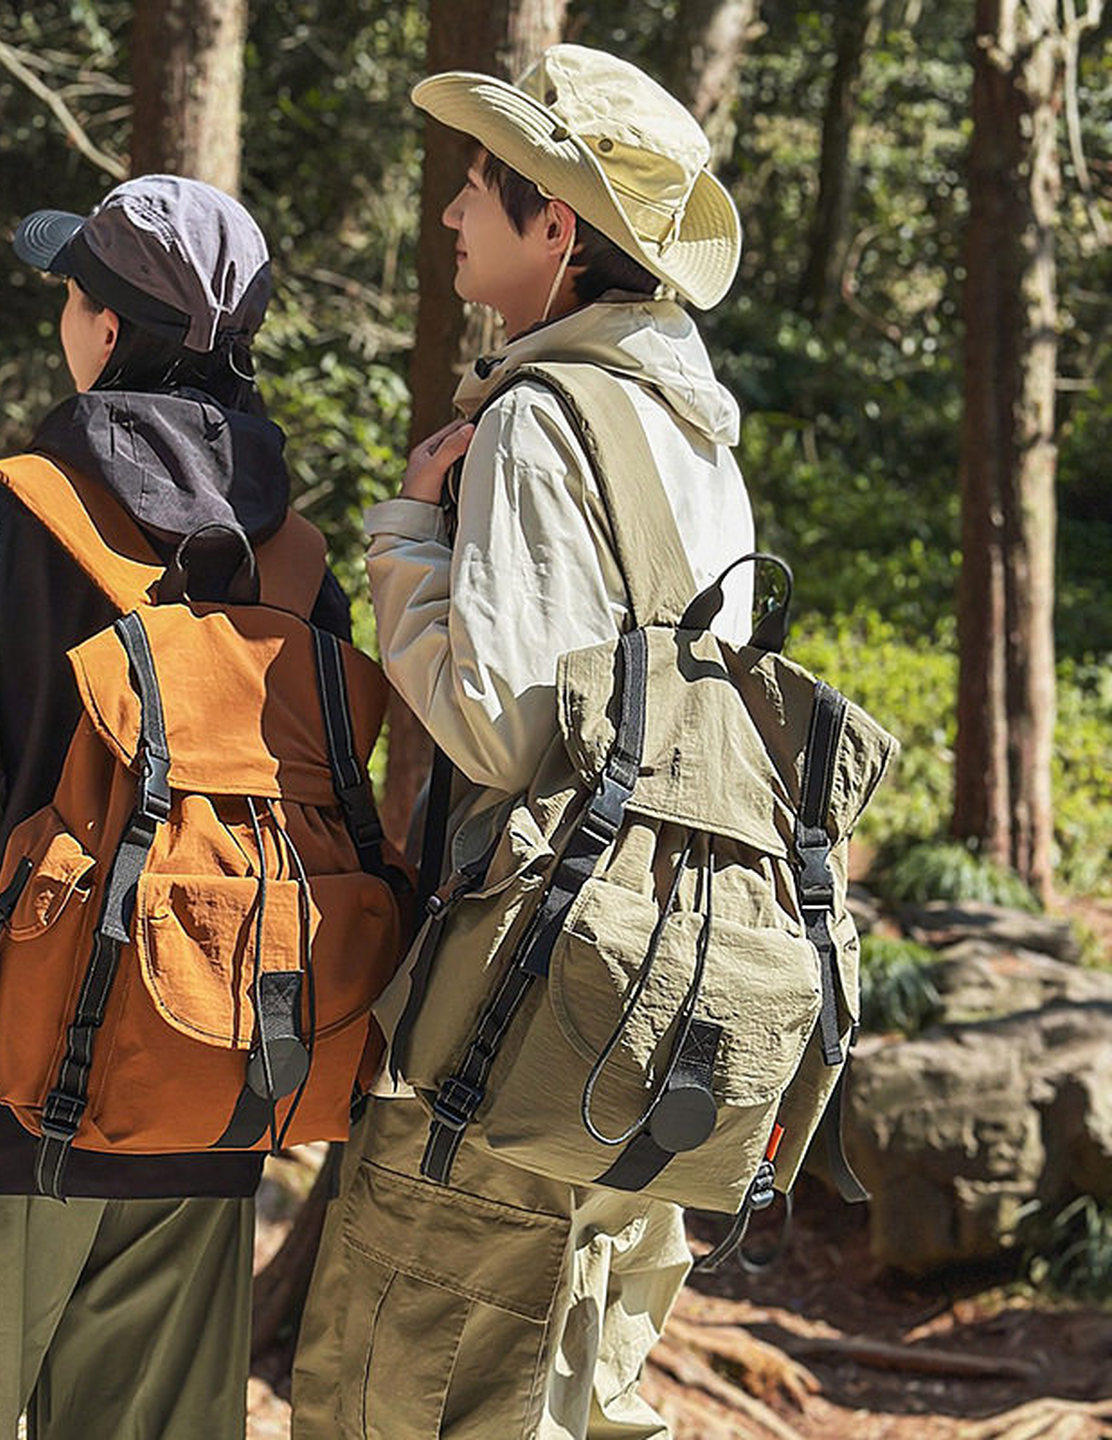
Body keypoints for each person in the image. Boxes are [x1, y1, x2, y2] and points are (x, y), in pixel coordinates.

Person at [0, 174, 351, 1440]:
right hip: (205, 1103)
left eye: (72, 293)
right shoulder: (295, 566)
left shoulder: (12, 515)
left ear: (106, 327)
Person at [291, 45, 755, 1440]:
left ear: (557, 225)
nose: (449, 213)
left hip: (523, 1002)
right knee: (576, 1386)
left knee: (404, 1393)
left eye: (478, 187)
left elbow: (500, 727)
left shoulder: (543, 422)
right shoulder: (697, 437)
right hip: (665, 990)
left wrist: (404, 541)